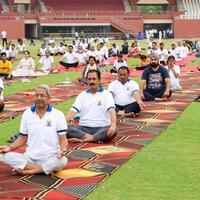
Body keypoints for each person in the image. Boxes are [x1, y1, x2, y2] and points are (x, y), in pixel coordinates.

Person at [0, 85, 68, 175]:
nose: (39, 98)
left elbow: (63, 138)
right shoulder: (27, 113)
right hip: (30, 158)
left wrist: (62, 150)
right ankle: (43, 170)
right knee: (4, 156)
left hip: (50, 157)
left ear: (49, 98)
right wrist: (10, 147)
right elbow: (22, 138)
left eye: (42, 95)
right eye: (36, 95)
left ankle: (29, 171)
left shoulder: (58, 115)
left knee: (62, 160)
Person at [66, 69, 117, 143]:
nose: (91, 81)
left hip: (102, 127)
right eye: (89, 79)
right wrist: (61, 124)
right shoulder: (82, 95)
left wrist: (113, 125)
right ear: (87, 81)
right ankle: (93, 138)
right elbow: (72, 112)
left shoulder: (107, 94)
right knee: (66, 127)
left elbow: (112, 111)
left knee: (114, 130)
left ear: (99, 81)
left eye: (94, 79)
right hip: (83, 128)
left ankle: (83, 140)